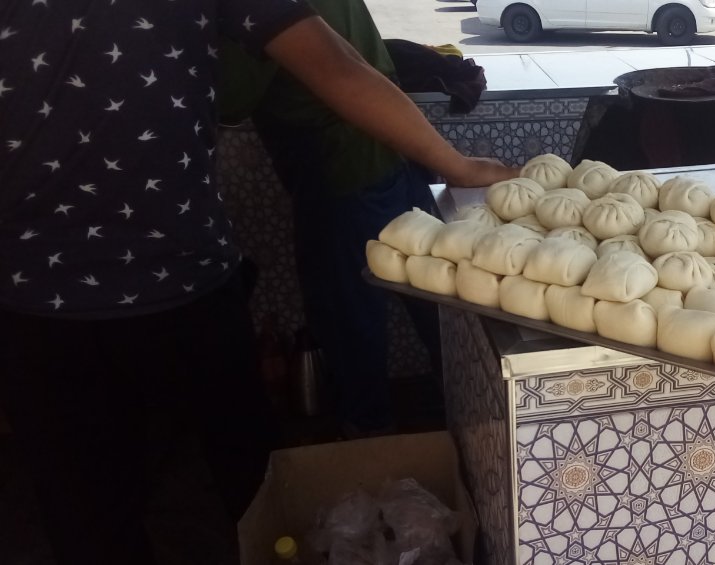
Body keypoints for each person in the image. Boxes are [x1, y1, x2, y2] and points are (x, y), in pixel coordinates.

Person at [0, 2, 515, 564]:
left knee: (95, 510)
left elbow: (306, 75)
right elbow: (333, 66)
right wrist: (456, 166)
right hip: (158, 284)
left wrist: (455, 166)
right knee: (246, 493)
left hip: (64, 294)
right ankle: (371, 431)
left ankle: (370, 429)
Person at [219, 0, 448, 435]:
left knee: (348, 319)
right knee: (436, 301)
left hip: (343, 171)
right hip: (394, 155)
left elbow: (231, 97)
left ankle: (367, 439)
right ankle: (469, 421)